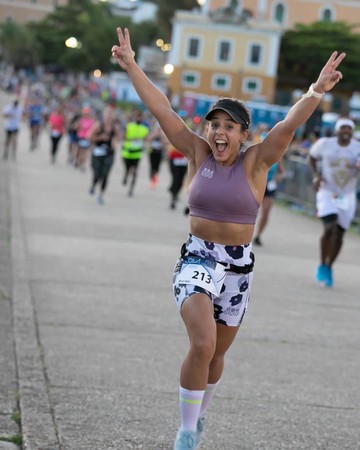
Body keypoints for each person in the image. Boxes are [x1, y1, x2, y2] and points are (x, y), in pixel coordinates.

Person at [112, 27, 345, 449]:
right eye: (214, 124)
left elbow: (289, 125)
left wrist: (315, 90)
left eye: (229, 127)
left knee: (217, 354)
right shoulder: (197, 152)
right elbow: (163, 110)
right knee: (201, 344)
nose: (219, 133)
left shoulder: (257, 163)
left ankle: (199, 418)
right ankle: (185, 434)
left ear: (244, 134)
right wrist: (130, 65)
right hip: (197, 260)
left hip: (239, 267)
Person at [309, 117, 360, 287]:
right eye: (343, 128)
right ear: (337, 130)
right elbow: (312, 157)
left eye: (349, 129)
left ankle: (329, 266)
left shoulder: (357, 148)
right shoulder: (325, 144)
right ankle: (322, 264)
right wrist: (316, 175)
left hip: (346, 194)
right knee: (329, 227)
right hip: (327, 191)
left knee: (340, 233)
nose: (346, 131)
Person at [88, 104, 121, 204]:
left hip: (109, 153)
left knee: (105, 174)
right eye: (107, 114)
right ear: (104, 115)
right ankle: (94, 184)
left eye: (111, 114)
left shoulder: (114, 127)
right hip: (97, 153)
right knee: (97, 173)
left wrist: (114, 141)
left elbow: (118, 137)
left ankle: (101, 195)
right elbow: (89, 137)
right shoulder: (98, 125)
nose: (109, 116)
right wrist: (100, 138)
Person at [253, 159, 285, 246]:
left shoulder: (277, 158)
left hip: (270, 186)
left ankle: (258, 236)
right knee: (252, 211)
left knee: (266, 212)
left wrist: (279, 176)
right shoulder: (261, 154)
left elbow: (282, 172)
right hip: (257, 185)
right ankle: (246, 233)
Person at [121, 109, 149, 196]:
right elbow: (123, 137)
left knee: (134, 171)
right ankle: (126, 174)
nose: (138, 118)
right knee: (127, 168)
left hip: (137, 153)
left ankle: (131, 189)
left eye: (140, 116)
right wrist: (130, 139)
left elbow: (146, 140)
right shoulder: (129, 126)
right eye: (137, 116)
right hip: (127, 152)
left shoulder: (145, 129)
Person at [146, 121, 168, 189]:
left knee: (157, 168)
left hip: (159, 153)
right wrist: (154, 136)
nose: (158, 130)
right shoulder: (153, 134)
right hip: (152, 152)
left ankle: (155, 177)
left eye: (160, 129)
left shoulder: (163, 136)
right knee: (152, 167)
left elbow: (165, 143)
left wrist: (161, 137)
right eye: (157, 129)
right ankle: (152, 180)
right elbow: (148, 140)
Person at [168, 145, 188, 209]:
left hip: (183, 162)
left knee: (180, 181)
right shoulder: (176, 136)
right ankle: (173, 197)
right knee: (176, 179)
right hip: (174, 159)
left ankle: (174, 191)